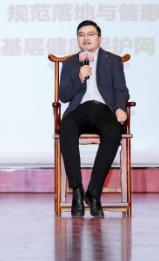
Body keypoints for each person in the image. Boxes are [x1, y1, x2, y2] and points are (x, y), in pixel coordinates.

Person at [58, 20, 130, 218]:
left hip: (104, 110)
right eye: (81, 35)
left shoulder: (112, 60)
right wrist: (79, 78)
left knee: (114, 132)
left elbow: (121, 90)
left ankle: (94, 192)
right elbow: (63, 96)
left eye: (90, 34)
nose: (86, 38)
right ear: (78, 39)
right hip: (79, 110)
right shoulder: (70, 63)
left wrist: (120, 108)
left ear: (99, 38)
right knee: (66, 128)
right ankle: (77, 192)